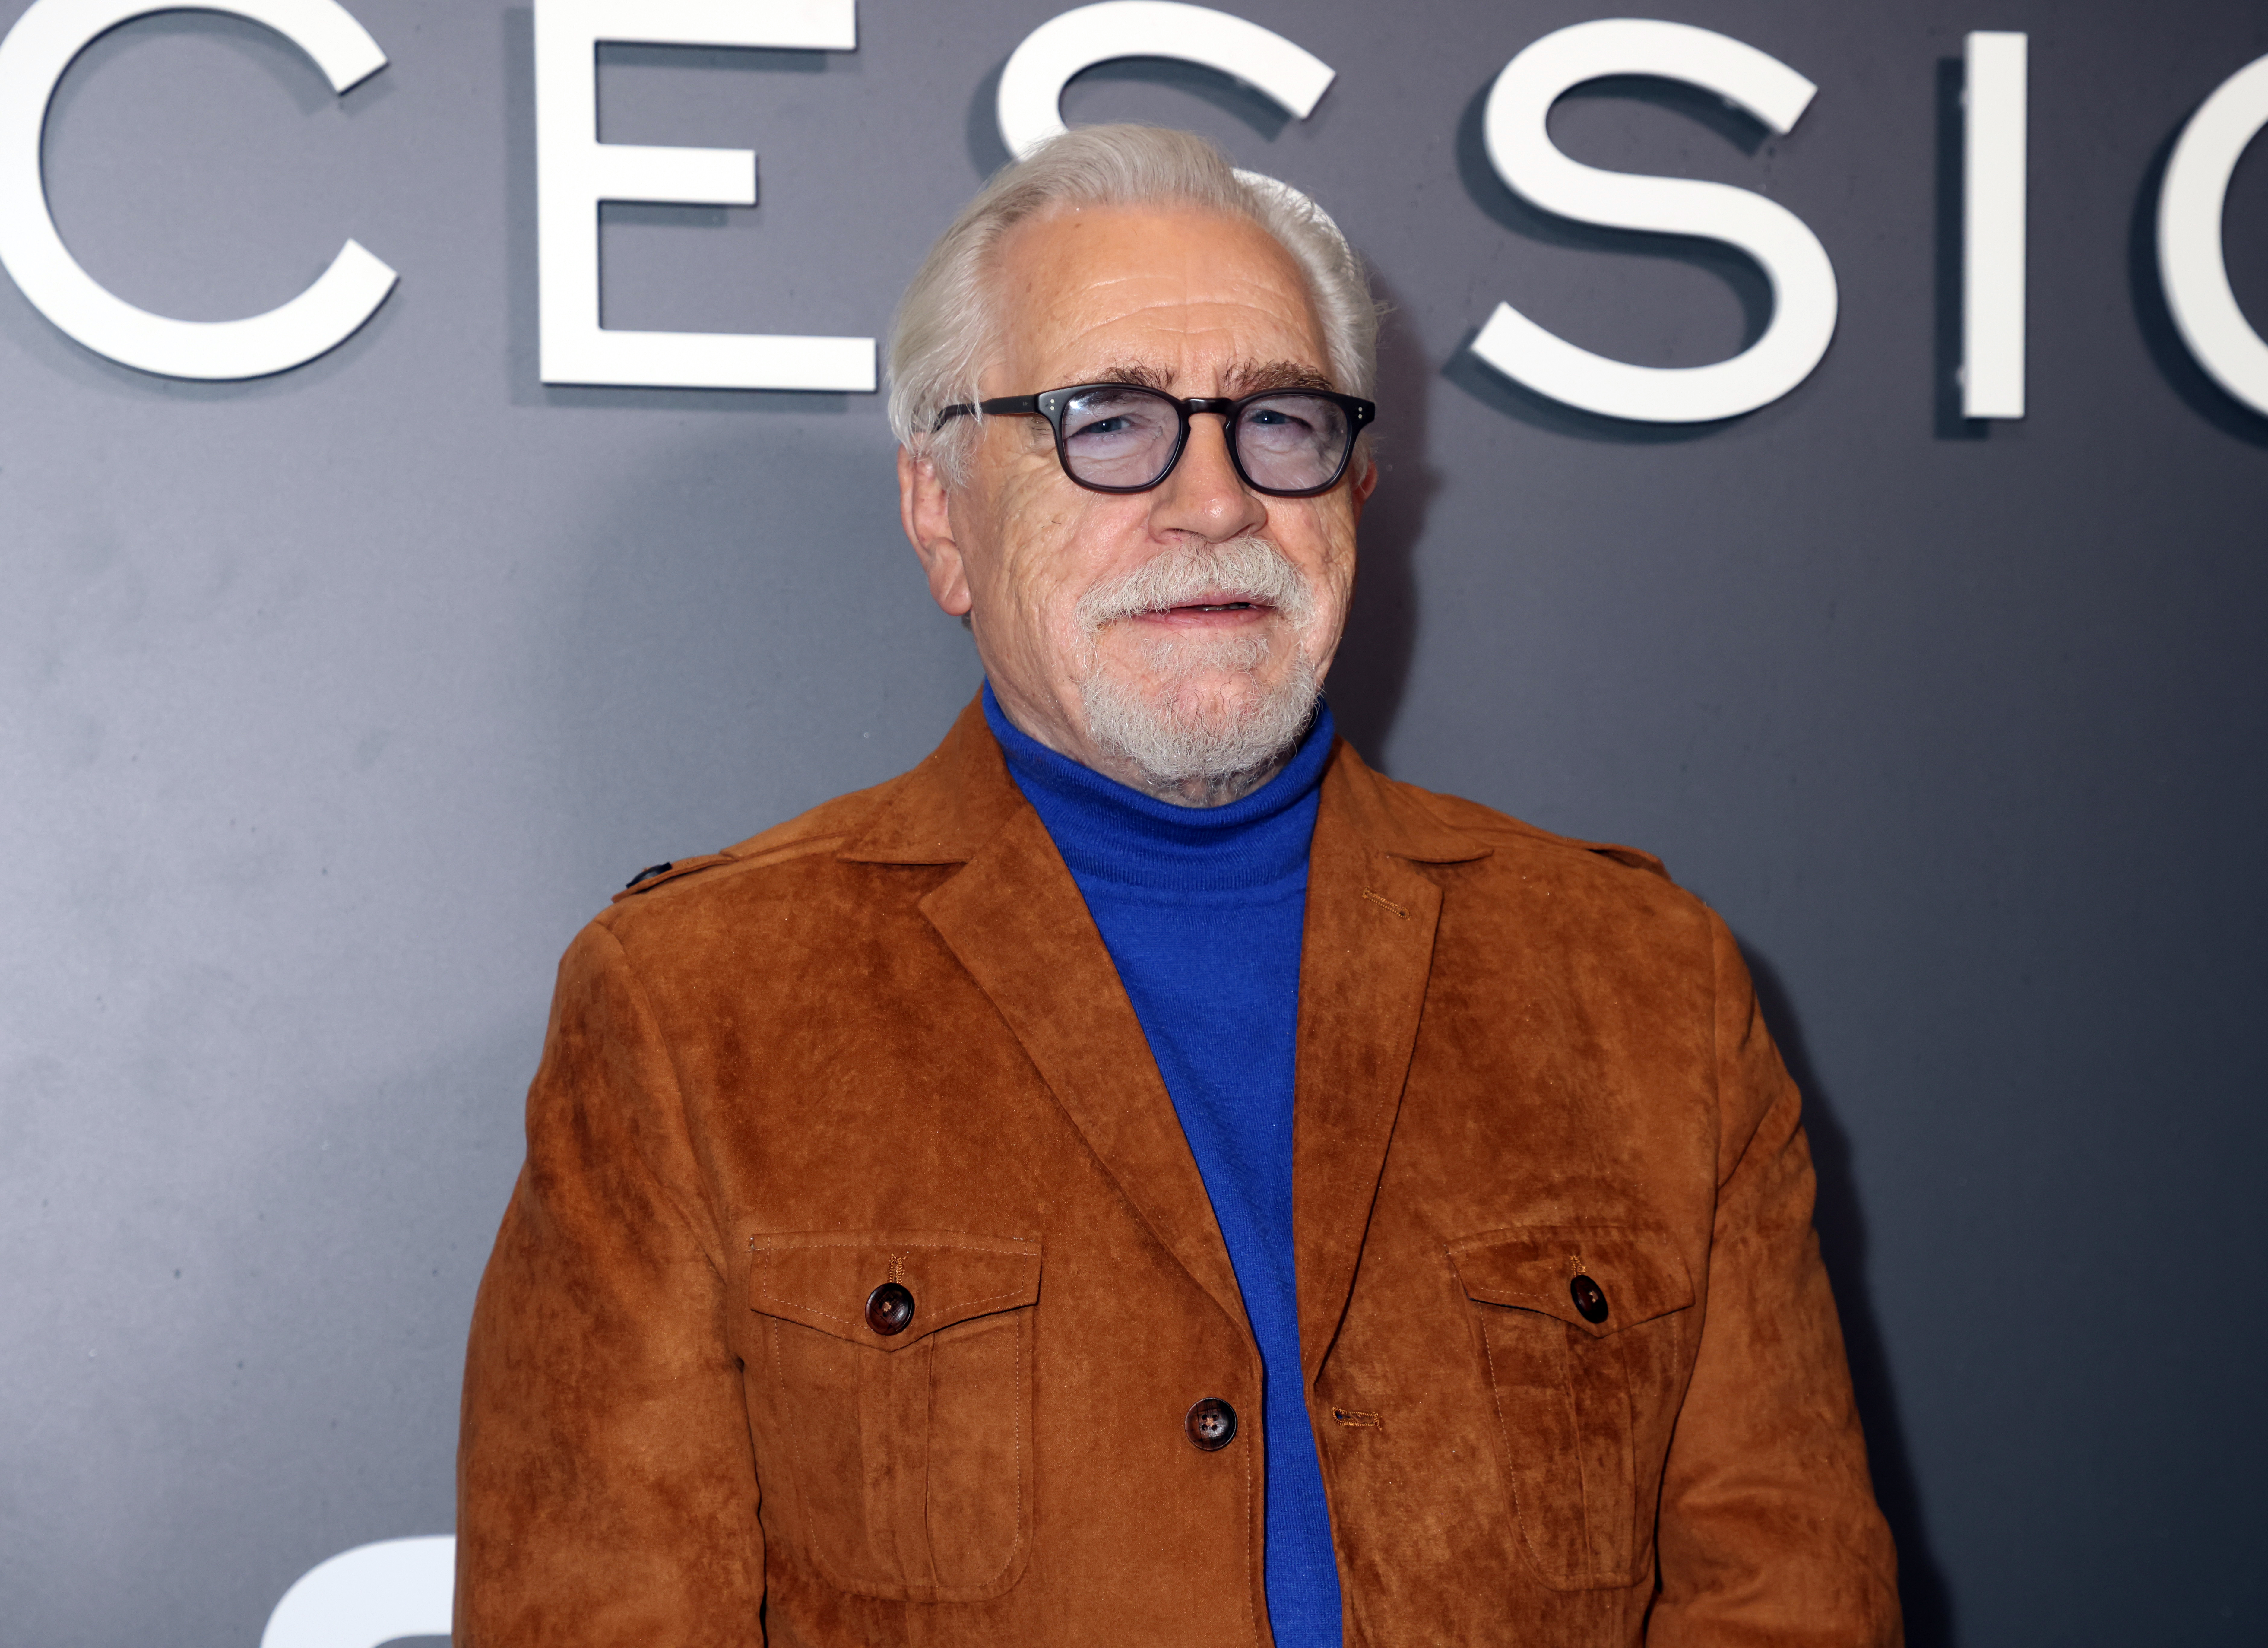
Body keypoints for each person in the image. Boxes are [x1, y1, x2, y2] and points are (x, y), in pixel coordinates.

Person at [455, 124, 1901, 1647]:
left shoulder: (1643, 987)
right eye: (1108, 420)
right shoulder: (694, 1010)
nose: (1215, 502)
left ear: (1351, 490)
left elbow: (1788, 1599)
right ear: (941, 513)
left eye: (1277, 422)